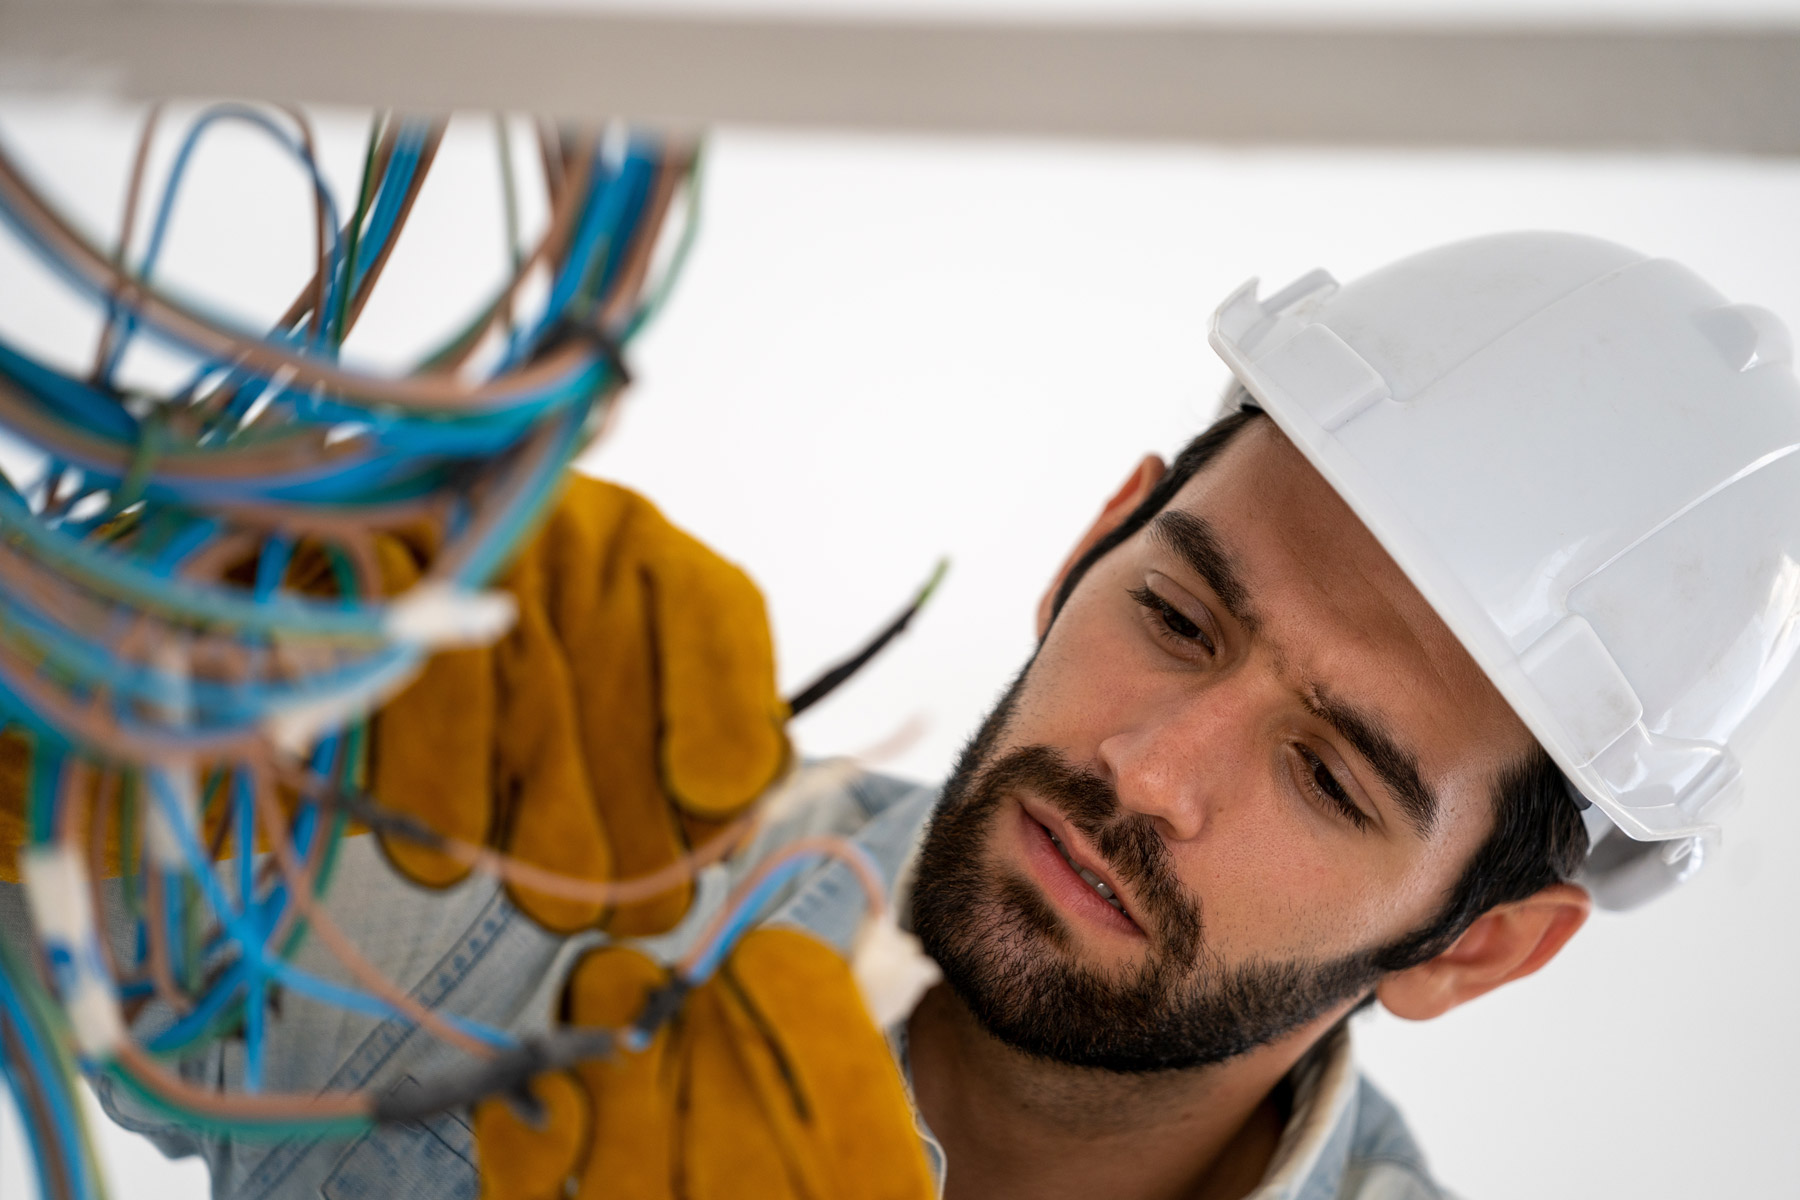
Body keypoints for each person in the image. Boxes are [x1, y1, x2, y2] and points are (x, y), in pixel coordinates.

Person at [5, 229, 1795, 1200]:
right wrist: (181, 648)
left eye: (1329, 776)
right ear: (1093, 541)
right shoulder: (525, 872)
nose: (1146, 770)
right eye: (1173, 615)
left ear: (1479, 950)